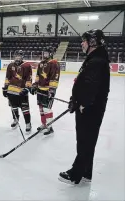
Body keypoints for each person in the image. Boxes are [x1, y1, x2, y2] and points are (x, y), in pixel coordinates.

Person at [59, 29, 110, 185]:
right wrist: (74, 99)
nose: (82, 43)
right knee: (88, 141)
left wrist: (82, 104)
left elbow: (90, 86)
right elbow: (84, 85)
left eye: (84, 40)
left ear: (93, 42)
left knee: (84, 141)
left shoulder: (96, 62)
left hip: (89, 110)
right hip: (89, 108)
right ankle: (87, 172)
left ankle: (76, 174)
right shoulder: (94, 59)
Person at [29, 46, 60, 135]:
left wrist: (52, 90)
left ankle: (50, 127)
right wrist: (35, 85)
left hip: (48, 90)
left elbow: (55, 77)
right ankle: (44, 124)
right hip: (40, 89)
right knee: (41, 108)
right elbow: (38, 76)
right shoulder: (41, 63)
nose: (45, 55)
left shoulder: (54, 63)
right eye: (44, 53)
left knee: (47, 109)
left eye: (46, 53)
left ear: (51, 54)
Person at [2, 50, 32, 132]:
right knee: (13, 107)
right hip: (11, 91)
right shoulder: (10, 65)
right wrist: (5, 88)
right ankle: (15, 120)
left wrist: (27, 88)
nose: (17, 58)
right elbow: (7, 77)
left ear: (22, 57)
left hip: (22, 92)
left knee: (25, 108)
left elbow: (29, 78)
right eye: (16, 56)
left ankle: (28, 123)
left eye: (19, 56)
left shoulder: (27, 66)